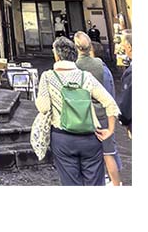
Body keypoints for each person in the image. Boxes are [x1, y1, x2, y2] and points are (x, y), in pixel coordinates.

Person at [36, 35, 120, 185]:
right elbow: (110, 103)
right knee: (95, 184)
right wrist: (110, 130)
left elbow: (43, 107)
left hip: (63, 138)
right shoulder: (85, 76)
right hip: (90, 136)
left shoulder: (48, 77)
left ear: (56, 55)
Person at [74, 31, 121, 185]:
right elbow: (110, 92)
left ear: (77, 48)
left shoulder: (74, 68)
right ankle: (116, 184)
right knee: (109, 153)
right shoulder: (101, 66)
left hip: (84, 118)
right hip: (103, 115)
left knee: (89, 158)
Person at [117, 32, 132, 137]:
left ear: (129, 47)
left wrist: (124, 120)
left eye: (124, 47)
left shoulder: (131, 73)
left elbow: (126, 101)